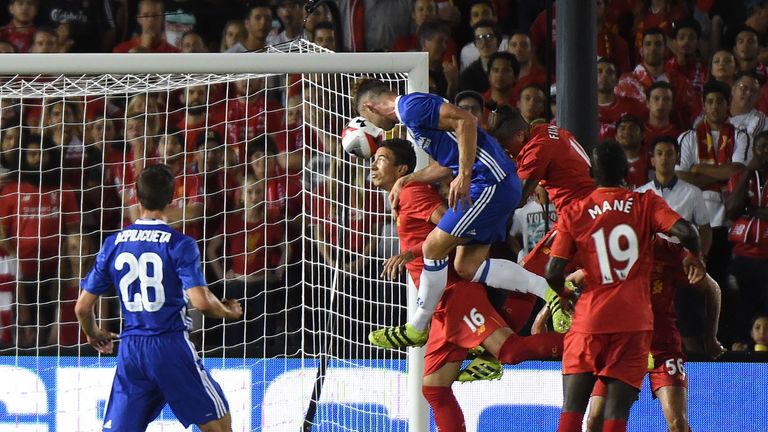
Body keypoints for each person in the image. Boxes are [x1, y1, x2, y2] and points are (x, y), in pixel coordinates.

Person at [373, 139, 563, 431]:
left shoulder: (411, 192)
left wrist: (410, 253)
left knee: (510, 351)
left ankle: (596, 345)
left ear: (402, 168)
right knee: (434, 388)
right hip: (441, 305)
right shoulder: (404, 196)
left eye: (381, 158)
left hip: (457, 294)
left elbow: (451, 228)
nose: (373, 164)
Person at [354, 79, 561, 347]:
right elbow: (448, 163)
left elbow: (465, 121)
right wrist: (408, 179)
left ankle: (417, 327)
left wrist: (464, 175)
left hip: (489, 183)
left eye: (365, 117)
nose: (371, 125)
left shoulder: (408, 106)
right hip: (493, 184)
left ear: (371, 106)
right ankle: (551, 292)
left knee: (433, 247)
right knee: (466, 267)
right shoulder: (411, 116)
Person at [544, 140, 706, 432]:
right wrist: (695, 258)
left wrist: (566, 294)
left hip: (589, 321)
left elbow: (553, 272)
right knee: (616, 416)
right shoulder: (645, 204)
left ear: (592, 172)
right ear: (627, 170)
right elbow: (687, 232)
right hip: (633, 323)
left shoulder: (575, 211)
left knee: (572, 411)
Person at [75, 164, 242, 431]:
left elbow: (82, 307)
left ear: (136, 198)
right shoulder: (179, 243)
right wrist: (227, 310)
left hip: (131, 350)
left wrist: (93, 333)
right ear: (172, 198)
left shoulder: (114, 243)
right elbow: (200, 302)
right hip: (170, 346)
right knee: (219, 426)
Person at [586, 136, 725, 432]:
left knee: (678, 424)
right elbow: (575, 280)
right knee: (594, 420)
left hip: (663, 347)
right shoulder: (612, 253)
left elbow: (712, 289)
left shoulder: (669, 253)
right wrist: (547, 313)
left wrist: (710, 338)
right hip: (620, 344)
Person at [676, 80, 750, 317]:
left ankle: (724, 338)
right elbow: (681, 177)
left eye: (720, 101)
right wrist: (721, 174)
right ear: (703, 105)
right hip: (696, 221)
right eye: (710, 101)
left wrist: (699, 169)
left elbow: (738, 170)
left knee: (722, 279)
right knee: (695, 281)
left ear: (728, 104)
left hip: (727, 220)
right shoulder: (688, 138)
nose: (715, 106)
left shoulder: (740, 136)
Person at [725, 130, 768, 347]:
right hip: (743, 256)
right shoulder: (740, 177)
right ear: (754, 150)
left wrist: (751, 210)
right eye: (761, 147)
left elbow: (744, 210)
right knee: (741, 312)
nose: (765, 152)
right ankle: (739, 356)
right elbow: (731, 210)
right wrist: (747, 173)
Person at [616, 27, 700, 131]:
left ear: (665, 51)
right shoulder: (625, 83)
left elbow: (693, 116)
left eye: (658, 44)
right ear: (641, 51)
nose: (653, 48)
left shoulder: (680, 82)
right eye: (648, 44)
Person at [597, 58, 647, 142]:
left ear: (617, 80)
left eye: (609, 72)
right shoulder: (583, 108)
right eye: (599, 72)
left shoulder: (634, 106)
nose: (604, 75)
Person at [112, 0, 179, 53]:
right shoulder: (121, 49)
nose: (151, 20)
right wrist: (143, 47)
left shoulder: (175, 53)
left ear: (163, 18)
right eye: (146, 16)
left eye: (155, 15)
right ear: (139, 19)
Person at [666, 18, 708, 94]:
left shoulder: (704, 71)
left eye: (691, 38)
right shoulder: (666, 68)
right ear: (675, 42)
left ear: (698, 43)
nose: (686, 41)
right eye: (682, 37)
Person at [459, 20, 501, 94]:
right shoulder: (468, 75)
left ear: (498, 40)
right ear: (475, 44)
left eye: (489, 37)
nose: (484, 42)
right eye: (479, 38)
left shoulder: (509, 68)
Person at [614, 114, 650, 189]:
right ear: (616, 136)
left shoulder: (651, 161)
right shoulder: (610, 163)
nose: (627, 132)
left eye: (632, 128)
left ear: (643, 135)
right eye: (622, 128)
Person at [729, 72, 768, 139]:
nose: (748, 93)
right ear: (733, 90)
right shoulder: (719, 112)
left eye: (753, 91)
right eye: (744, 87)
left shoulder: (761, 122)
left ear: (758, 96)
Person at [644, 81, 681, 148]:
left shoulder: (680, 136)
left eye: (666, 99)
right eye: (656, 98)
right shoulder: (638, 132)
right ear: (647, 103)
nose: (661, 103)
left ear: (672, 105)